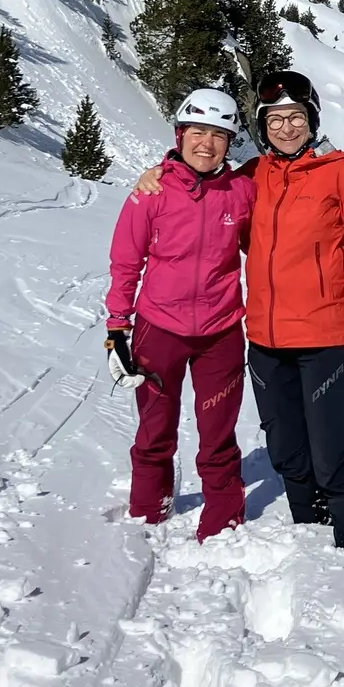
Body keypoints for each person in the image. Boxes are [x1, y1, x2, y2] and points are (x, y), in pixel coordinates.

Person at [136, 69, 344, 554]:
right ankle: (310, 529)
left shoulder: (340, 172)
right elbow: (202, 191)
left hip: (326, 337)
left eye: (296, 117)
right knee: (287, 450)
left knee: (330, 452)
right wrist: (156, 173)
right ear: (262, 125)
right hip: (266, 341)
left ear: (311, 120)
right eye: (275, 119)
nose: (286, 127)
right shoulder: (253, 176)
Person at [106, 88, 255, 542]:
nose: (206, 143)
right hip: (159, 329)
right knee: (154, 428)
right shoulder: (150, 193)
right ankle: (149, 508)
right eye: (197, 132)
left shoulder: (241, 191)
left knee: (218, 431)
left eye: (218, 135)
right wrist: (117, 326)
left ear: (230, 143)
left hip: (221, 332)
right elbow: (125, 261)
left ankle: (223, 517)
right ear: (179, 134)